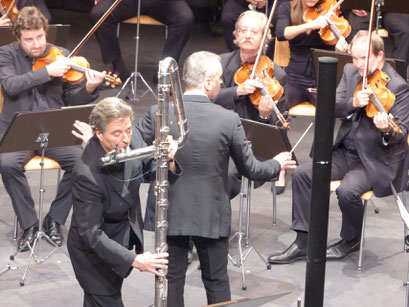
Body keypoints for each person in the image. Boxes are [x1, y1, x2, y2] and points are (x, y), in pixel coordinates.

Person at [137, 51, 296, 307]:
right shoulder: (227, 119)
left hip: (169, 212)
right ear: (208, 82)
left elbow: (132, 150)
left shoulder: (158, 112)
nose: (223, 83)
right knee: (216, 280)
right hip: (210, 213)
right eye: (220, 78)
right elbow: (251, 169)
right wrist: (277, 164)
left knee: (172, 279)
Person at [267, 30, 409, 264]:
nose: (359, 64)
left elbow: (400, 133)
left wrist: (386, 129)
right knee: (303, 174)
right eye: (355, 58)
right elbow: (330, 106)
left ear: (380, 57)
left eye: (364, 58)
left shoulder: (398, 86)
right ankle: (303, 241)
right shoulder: (350, 72)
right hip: (345, 151)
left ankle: (350, 240)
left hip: (373, 158)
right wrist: (353, 102)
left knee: (347, 191)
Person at [0, 7, 104, 251]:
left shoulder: (62, 55)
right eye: (29, 39)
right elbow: (11, 85)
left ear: (45, 33)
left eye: (39, 37)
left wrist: (89, 89)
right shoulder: (5, 55)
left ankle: (55, 220)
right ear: (18, 38)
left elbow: (73, 100)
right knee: (6, 163)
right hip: (19, 129)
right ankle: (28, 225)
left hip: (55, 129)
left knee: (82, 160)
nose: (36, 44)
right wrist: (46, 72)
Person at [67, 97, 179, 307]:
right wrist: (134, 260)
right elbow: (91, 234)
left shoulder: (130, 139)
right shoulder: (86, 174)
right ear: (98, 133)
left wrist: (168, 158)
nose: (125, 138)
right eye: (117, 134)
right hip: (93, 255)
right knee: (106, 299)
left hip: (120, 238)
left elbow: (153, 171)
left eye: (127, 130)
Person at [215, 10, 288, 197]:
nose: (247, 35)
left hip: (248, 142)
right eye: (243, 30)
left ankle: (217, 218)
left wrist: (264, 115)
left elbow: (279, 126)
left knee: (228, 173)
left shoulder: (277, 75)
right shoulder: (220, 64)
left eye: (254, 32)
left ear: (265, 39)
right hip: (218, 134)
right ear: (236, 35)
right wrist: (236, 91)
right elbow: (207, 97)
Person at [90, 0, 194, 82]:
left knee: (185, 18)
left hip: (164, 2)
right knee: (99, 14)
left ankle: (165, 72)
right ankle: (118, 68)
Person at [274, 0, 348, 110]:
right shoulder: (287, 7)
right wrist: (310, 25)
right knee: (279, 104)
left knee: (331, 109)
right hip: (295, 78)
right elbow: (281, 33)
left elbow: (341, 48)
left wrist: (339, 51)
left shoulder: (329, 8)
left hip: (322, 78)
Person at [344, 9, 409, 74]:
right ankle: (352, 76)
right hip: (364, 8)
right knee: (352, 29)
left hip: (393, 8)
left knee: (406, 31)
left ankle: (395, 76)